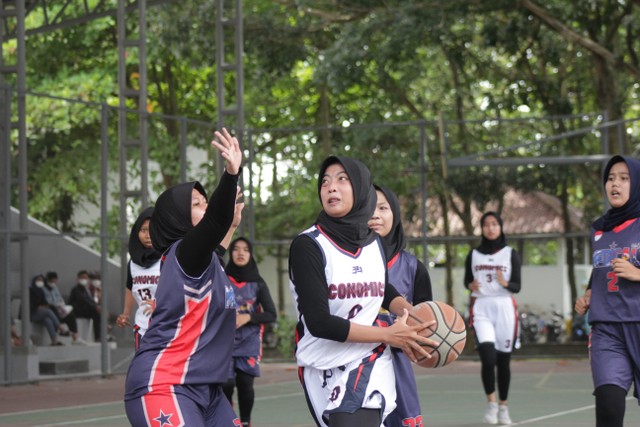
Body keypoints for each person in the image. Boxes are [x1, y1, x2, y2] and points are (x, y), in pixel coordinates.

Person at [288, 155, 437, 427]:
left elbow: (380, 288)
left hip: (368, 356)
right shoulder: (308, 246)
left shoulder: (372, 243)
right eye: (325, 181)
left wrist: (413, 315)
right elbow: (319, 323)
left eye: (342, 179)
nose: (331, 187)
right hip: (320, 364)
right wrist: (389, 334)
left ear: (360, 189)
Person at [124, 128, 244, 427]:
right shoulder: (183, 254)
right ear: (176, 218)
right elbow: (214, 225)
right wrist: (230, 175)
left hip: (207, 389)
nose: (205, 206)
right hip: (164, 384)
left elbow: (215, 247)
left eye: (206, 201)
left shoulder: (202, 261)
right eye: (196, 203)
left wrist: (229, 227)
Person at [574, 155, 640, 427]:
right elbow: (600, 269)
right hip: (607, 331)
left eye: (624, 178)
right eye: (611, 178)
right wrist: (590, 292)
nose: (616, 184)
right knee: (609, 409)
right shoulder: (599, 229)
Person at [368, 184, 433, 427]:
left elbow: (427, 325)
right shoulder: (343, 263)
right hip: (354, 361)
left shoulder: (413, 268)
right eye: (368, 208)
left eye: (383, 208)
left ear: (394, 215)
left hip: (397, 365)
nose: (375, 214)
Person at [464, 211, 521, 425]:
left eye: (494, 224)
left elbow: (517, 285)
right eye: (486, 224)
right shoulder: (473, 254)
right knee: (488, 358)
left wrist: (505, 283)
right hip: (482, 306)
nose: (490, 228)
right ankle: (491, 402)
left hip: (504, 306)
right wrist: (470, 286)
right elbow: (467, 281)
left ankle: (504, 407)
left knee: (503, 360)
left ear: (500, 227)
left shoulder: (510, 253)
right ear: (482, 228)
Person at [222, 237, 278, 427]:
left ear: (251, 254)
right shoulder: (222, 279)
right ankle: (228, 419)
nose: (240, 253)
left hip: (249, 342)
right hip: (224, 342)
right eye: (236, 249)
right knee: (226, 384)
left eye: (245, 249)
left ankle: (246, 422)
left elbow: (271, 314)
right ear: (230, 253)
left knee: (245, 385)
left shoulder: (258, 283)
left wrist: (248, 317)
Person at [116, 207, 162, 350]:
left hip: (165, 325)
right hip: (142, 326)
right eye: (143, 230)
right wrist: (126, 313)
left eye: (153, 230)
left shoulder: (168, 258)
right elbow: (130, 287)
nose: (148, 235)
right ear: (137, 233)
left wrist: (161, 305)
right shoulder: (133, 263)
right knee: (142, 369)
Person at [44, 271, 85, 345]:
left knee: (71, 315)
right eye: (51, 281)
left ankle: (75, 337)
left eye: (55, 281)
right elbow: (48, 301)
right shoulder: (43, 289)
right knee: (53, 311)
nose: (53, 283)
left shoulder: (54, 287)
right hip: (51, 309)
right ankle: (60, 332)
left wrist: (61, 304)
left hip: (59, 309)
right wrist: (56, 304)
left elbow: (59, 297)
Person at [29, 274, 65, 346]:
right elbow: (30, 305)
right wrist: (38, 307)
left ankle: (54, 340)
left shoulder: (41, 291)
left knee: (47, 320)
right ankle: (60, 327)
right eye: (38, 280)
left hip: (40, 314)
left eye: (42, 280)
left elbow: (45, 304)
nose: (40, 281)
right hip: (31, 314)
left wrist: (42, 306)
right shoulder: (30, 290)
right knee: (48, 311)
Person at [69, 270, 102, 341]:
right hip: (78, 311)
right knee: (96, 313)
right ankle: (97, 337)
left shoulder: (86, 290)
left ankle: (99, 336)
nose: (84, 279)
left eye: (86, 278)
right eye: (82, 277)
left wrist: (96, 306)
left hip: (85, 310)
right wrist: (95, 307)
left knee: (98, 314)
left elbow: (90, 300)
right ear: (78, 278)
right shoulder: (76, 290)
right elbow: (84, 301)